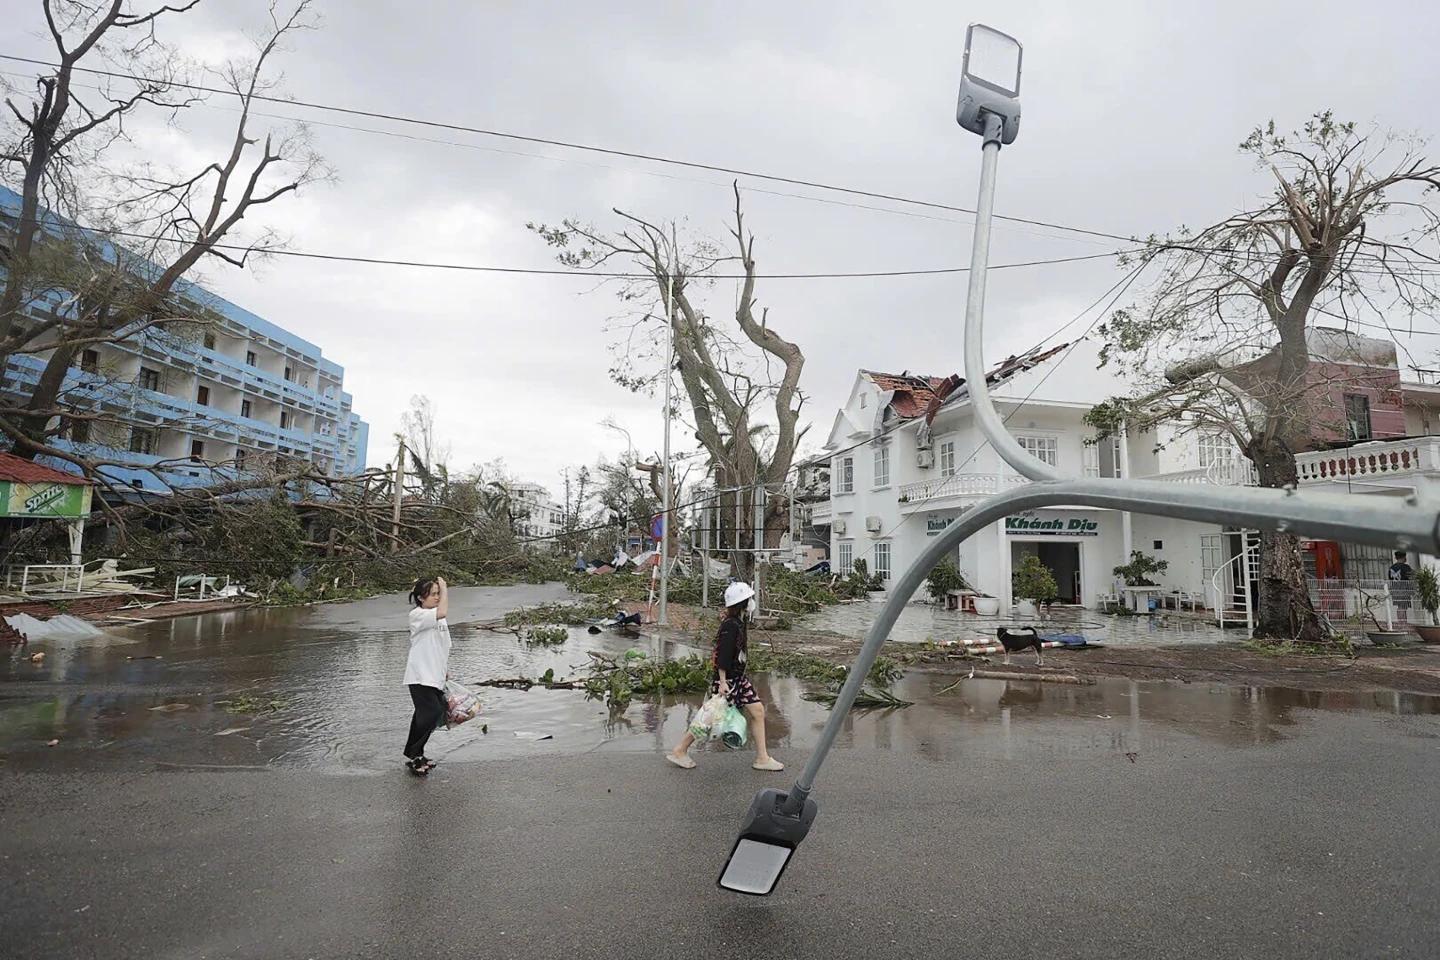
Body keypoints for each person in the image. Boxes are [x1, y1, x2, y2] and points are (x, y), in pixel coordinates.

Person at [666, 581, 784, 772]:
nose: (752, 602)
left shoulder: (738, 623)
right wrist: (722, 682)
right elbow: (722, 656)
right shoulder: (731, 626)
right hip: (728, 681)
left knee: (757, 711)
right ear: (743, 603)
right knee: (709, 717)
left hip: (737, 679)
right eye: (749, 599)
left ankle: (762, 758)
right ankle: (680, 750)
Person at [403, 576, 450, 776]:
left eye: (438, 594)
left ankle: (416, 753)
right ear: (421, 598)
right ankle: (415, 755)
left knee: (429, 715)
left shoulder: (438, 618)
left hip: (434, 675)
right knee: (431, 713)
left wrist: (445, 669)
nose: (437, 597)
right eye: (433, 594)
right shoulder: (418, 615)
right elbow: (443, 611)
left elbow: (442, 645)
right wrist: (445, 588)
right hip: (419, 675)